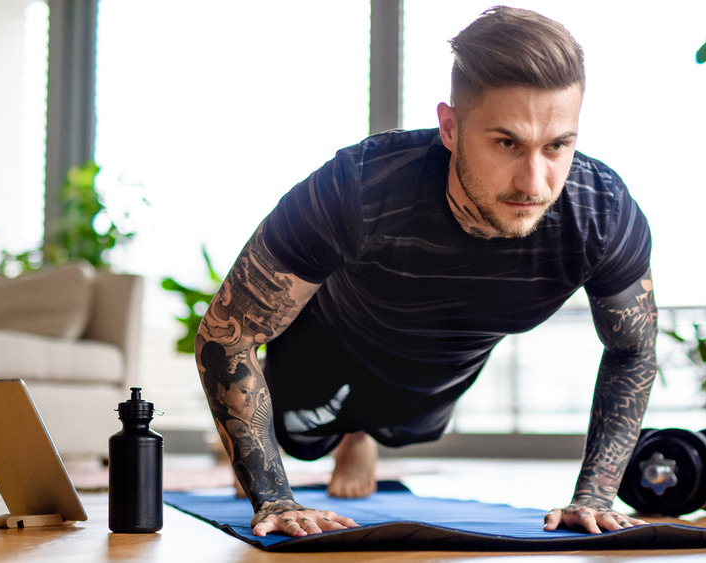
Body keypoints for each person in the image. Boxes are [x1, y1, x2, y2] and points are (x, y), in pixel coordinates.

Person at [195, 5, 658, 537]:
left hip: (437, 367)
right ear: (450, 127)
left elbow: (633, 349)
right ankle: (327, 441)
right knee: (291, 435)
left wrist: (596, 495)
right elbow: (225, 336)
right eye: (506, 143)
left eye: (557, 146)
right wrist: (272, 496)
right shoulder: (360, 186)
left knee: (407, 425)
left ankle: (360, 437)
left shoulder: (601, 212)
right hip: (327, 339)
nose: (534, 182)